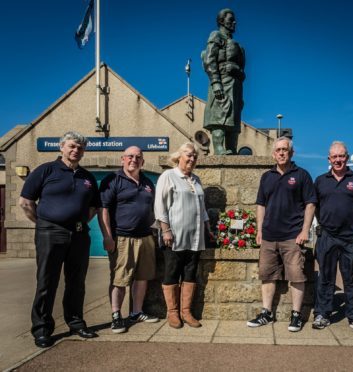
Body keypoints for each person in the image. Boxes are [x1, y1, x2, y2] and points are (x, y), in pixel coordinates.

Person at [19, 131, 100, 348]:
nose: (76, 150)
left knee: (77, 282)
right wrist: (45, 224)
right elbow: (26, 202)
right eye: (72, 146)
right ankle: (42, 329)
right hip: (50, 234)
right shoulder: (45, 170)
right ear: (61, 147)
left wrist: (79, 221)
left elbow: (94, 207)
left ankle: (76, 322)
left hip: (79, 235)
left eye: (80, 147)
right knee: (47, 282)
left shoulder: (87, 177)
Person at [247, 136, 316, 332]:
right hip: (269, 236)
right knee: (267, 276)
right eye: (278, 150)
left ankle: (296, 315)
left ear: (292, 152)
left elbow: (311, 204)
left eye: (285, 149)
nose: (281, 153)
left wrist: (304, 231)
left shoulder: (302, 175)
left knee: (297, 276)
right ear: (273, 154)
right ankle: (266, 313)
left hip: (292, 236)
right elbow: (261, 205)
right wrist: (259, 230)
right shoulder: (266, 176)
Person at [313, 141, 353, 334]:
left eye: (341, 156)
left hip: (350, 239)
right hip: (327, 237)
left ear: (347, 157)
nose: (338, 160)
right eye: (334, 157)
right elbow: (315, 208)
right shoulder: (320, 181)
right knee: (325, 278)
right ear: (329, 159)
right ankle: (322, 314)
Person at [98, 146, 159, 334]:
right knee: (120, 279)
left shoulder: (148, 182)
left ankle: (136, 312)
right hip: (123, 238)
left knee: (142, 278)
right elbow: (103, 210)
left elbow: (153, 209)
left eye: (138, 157)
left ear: (143, 161)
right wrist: (107, 236)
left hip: (146, 237)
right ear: (122, 159)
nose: (134, 159)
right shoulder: (112, 180)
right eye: (130, 156)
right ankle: (116, 315)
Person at [154, 142, 213, 328]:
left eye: (195, 155)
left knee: (190, 272)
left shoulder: (196, 179)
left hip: (195, 236)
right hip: (174, 236)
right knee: (172, 272)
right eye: (188, 154)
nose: (192, 158)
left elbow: (202, 209)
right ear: (178, 156)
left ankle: (186, 312)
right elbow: (160, 205)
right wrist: (165, 230)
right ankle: (172, 313)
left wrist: (208, 228)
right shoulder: (168, 176)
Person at [202, 8, 245, 155]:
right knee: (219, 115)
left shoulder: (239, 46)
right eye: (230, 19)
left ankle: (232, 148)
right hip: (221, 82)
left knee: (233, 118)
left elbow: (242, 72)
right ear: (221, 21)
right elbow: (209, 60)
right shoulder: (216, 36)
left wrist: (235, 69)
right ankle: (219, 148)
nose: (234, 22)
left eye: (234, 20)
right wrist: (215, 82)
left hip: (236, 86)